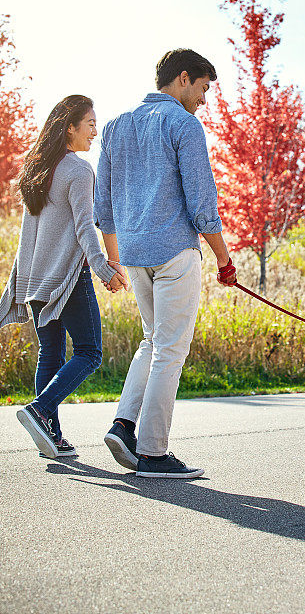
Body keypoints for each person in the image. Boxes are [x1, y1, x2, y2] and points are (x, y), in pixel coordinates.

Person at [95, 48, 237, 479]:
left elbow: (103, 208)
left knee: (152, 342)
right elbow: (202, 205)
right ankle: (153, 453)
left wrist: (115, 259)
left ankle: (123, 425)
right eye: (203, 88)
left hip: (136, 256)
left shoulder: (116, 127)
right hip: (175, 252)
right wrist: (223, 258)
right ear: (182, 79)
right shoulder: (183, 125)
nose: (203, 100)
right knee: (170, 349)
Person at [0, 95, 128, 459]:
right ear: (70, 126)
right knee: (90, 352)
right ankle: (40, 411)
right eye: (89, 123)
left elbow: (31, 235)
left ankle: (50, 435)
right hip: (65, 280)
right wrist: (104, 267)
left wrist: (20, 283)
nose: (95, 131)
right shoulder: (77, 170)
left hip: (34, 280)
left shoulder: (37, 168)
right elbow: (85, 227)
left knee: (51, 354)